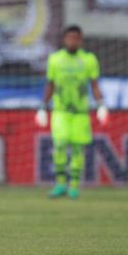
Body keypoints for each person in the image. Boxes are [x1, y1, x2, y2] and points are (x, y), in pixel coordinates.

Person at [35, 25, 108, 200]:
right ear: (64, 40)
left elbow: (94, 85)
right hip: (60, 111)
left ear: (80, 40)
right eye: (69, 38)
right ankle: (60, 183)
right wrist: (43, 107)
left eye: (76, 38)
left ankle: (74, 186)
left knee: (77, 149)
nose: (72, 41)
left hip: (81, 113)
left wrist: (101, 105)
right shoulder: (55, 60)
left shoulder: (89, 60)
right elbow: (50, 85)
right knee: (59, 145)